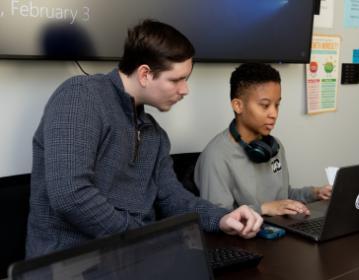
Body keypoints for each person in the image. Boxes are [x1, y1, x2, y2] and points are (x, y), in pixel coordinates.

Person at [26, 20, 262, 258]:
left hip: (130, 258)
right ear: (145, 74)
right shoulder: (80, 97)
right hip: (70, 263)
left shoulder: (154, 134)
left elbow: (173, 199)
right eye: (176, 79)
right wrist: (145, 240)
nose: (185, 90)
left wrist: (222, 218)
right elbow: (70, 194)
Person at [194, 63, 332, 216]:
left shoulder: (274, 147)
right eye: (265, 105)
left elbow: (284, 198)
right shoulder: (216, 156)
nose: (274, 113)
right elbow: (218, 217)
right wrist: (264, 209)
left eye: (277, 105)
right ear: (238, 106)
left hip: (281, 231)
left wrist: (315, 193)